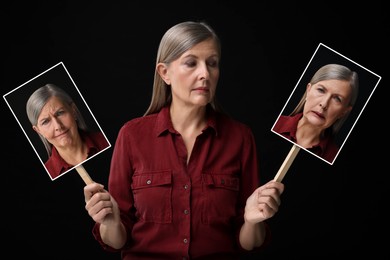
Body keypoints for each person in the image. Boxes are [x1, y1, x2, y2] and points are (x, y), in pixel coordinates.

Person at [83, 21, 284, 260]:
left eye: (212, 63)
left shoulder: (240, 137)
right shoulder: (131, 135)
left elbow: (249, 243)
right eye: (191, 63)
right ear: (164, 73)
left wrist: (252, 221)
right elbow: (117, 241)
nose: (205, 74)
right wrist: (110, 222)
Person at [272, 63, 359, 163]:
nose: (324, 104)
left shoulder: (333, 157)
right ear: (308, 90)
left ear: (344, 112)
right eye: (321, 90)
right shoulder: (275, 123)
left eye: (337, 99)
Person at [26, 83, 110, 179]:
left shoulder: (107, 140)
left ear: (73, 111)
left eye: (60, 113)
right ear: (38, 131)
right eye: (46, 122)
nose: (58, 126)